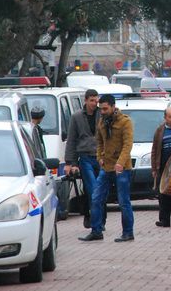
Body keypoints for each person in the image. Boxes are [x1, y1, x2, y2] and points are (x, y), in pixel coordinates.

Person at [79, 94, 135, 242]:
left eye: (105, 109)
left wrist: (120, 163)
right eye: (101, 109)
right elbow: (99, 142)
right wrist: (100, 157)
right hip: (106, 167)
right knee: (96, 198)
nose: (102, 111)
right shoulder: (102, 122)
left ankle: (128, 232)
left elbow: (127, 144)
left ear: (113, 106)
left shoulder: (125, 122)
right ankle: (96, 230)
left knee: (123, 201)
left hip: (122, 168)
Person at [64, 89, 102, 229]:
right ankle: (92, 219)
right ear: (85, 100)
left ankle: (98, 218)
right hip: (85, 157)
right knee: (92, 188)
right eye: (91, 100)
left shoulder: (101, 114)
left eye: (96, 100)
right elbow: (72, 140)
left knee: (100, 189)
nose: (94, 103)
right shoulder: (77, 116)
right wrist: (70, 162)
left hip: (100, 157)